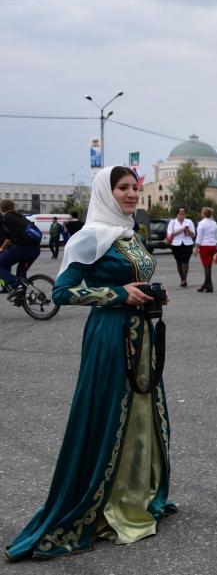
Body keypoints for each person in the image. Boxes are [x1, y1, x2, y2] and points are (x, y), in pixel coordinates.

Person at [5, 167, 175, 561]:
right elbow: (63, 292)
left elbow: (135, 279)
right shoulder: (90, 236)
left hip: (142, 334)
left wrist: (152, 294)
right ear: (106, 192)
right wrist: (118, 294)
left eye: (134, 188)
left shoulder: (129, 233)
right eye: (123, 188)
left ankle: (137, 493)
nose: (131, 194)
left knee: (142, 411)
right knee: (111, 415)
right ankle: (108, 503)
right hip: (110, 337)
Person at [0, 200, 42, 296]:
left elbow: (8, 238)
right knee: (21, 274)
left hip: (21, 249)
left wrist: (2, 249)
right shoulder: (21, 217)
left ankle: (16, 285)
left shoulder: (6, 217)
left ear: (2, 208)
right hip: (35, 250)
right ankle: (23, 295)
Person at [166, 208, 195, 287]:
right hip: (176, 244)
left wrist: (188, 231)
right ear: (177, 214)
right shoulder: (172, 222)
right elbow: (170, 234)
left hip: (187, 244)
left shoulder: (189, 222)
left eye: (183, 214)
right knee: (179, 262)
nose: (182, 216)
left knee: (185, 261)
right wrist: (182, 229)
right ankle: (182, 278)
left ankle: (185, 279)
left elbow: (193, 234)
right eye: (180, 214)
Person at [194, 206, 217, 293]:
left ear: (204, 213)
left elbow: (199, 236)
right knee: (209, 266)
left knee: (206, 266)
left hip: (205, 246)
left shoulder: (201, 223)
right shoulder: (214, 223)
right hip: (213, 246)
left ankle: (209, 285)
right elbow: (216, 235)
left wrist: (196, 247)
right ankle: (205, 284)